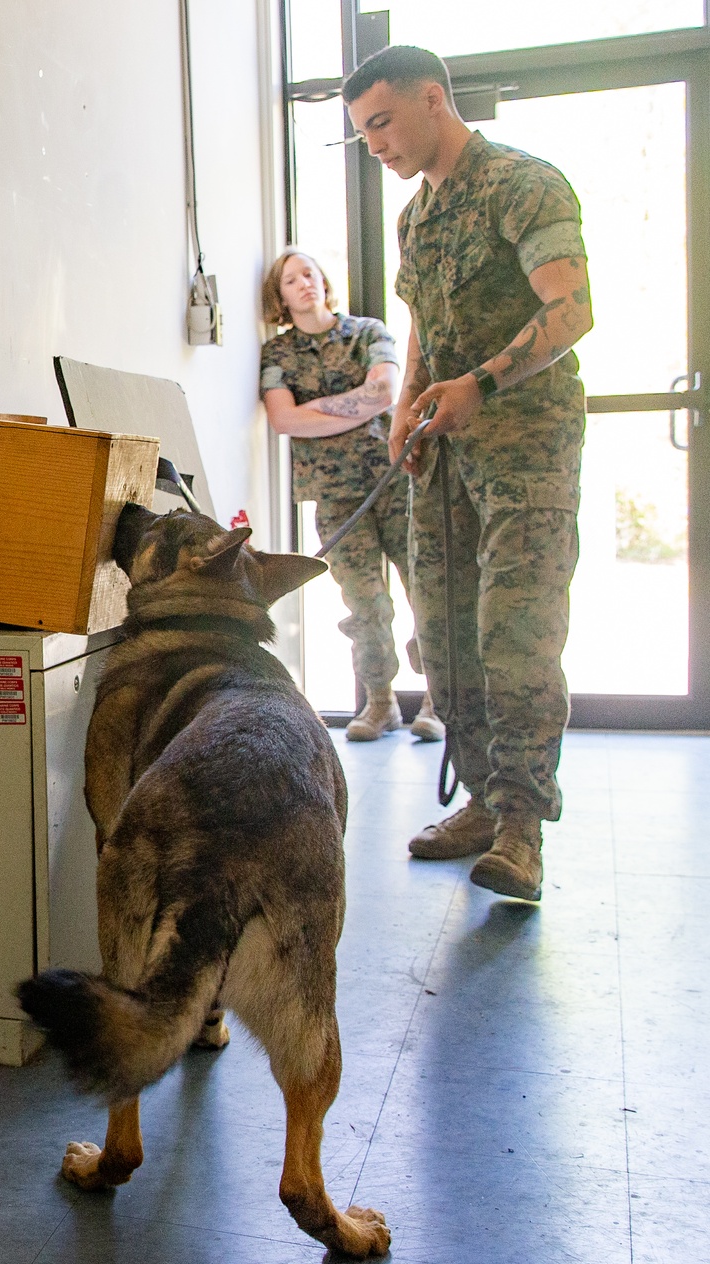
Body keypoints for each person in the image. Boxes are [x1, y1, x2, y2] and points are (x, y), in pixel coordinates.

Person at [343, 46, 593, 899]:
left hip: (526, 447)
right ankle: (484, 802)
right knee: (444, 639)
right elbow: (422, 327)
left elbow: (572, 309)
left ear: (433, 101)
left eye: (382, 122)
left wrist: (478, 384)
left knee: (515, 634)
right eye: (361, 133)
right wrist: (407, 408)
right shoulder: (418, 218)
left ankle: (522, 827)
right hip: (442, 457)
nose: (374, 144)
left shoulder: (526, 185)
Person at [259, 247, 444, 742]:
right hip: (336, 496)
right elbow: (283, 419)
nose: (304, 284)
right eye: (291, 280)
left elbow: (384, 392)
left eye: (310, 274)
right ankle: (380, 704)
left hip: (395, 479)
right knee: (365, 604)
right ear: (279, 296)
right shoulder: (277, 354)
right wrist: (351, 405)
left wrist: (315, 409)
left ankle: (437, 701)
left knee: (425, 589)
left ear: (323, 281)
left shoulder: (368, 332)